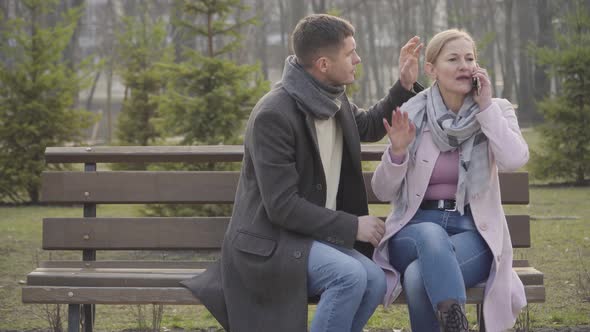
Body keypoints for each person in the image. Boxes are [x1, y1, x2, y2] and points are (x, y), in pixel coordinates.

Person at [180, 14, 423, 332]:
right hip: (274, 243)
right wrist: (353, 226)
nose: (358, 59)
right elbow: (281, 207)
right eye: (350, 53)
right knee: (349, 276)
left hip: (314, 238)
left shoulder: (331, 98)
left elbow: (368, 125)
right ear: (323, 64)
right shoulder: (274, 115)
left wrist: (403, 86)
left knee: (375, 280)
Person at [370, 28, 529, 332]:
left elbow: (514, 159)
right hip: (413, 230)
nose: (464, 65)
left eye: (469, 58)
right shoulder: (411, 113)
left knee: (417, 278)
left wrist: (485, 108)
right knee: (431, 233)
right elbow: (382, 190)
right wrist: (398, 152)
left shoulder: (496, 110)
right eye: (453, 59)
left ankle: (452, 321)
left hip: (473, 230)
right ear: (431, 70)